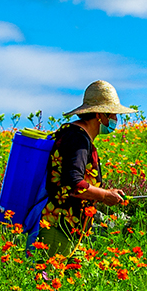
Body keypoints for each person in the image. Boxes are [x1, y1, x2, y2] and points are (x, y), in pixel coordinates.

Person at [35, 80, 134, 257]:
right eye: (112, 115)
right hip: (59, 225)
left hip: (71, 228)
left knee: (77, 282)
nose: (115, 120)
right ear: (99, 115)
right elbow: (73, 182)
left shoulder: (78, 136)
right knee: (49, 280)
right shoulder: (77, 138)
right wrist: (104, 195)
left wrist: (107, 192)